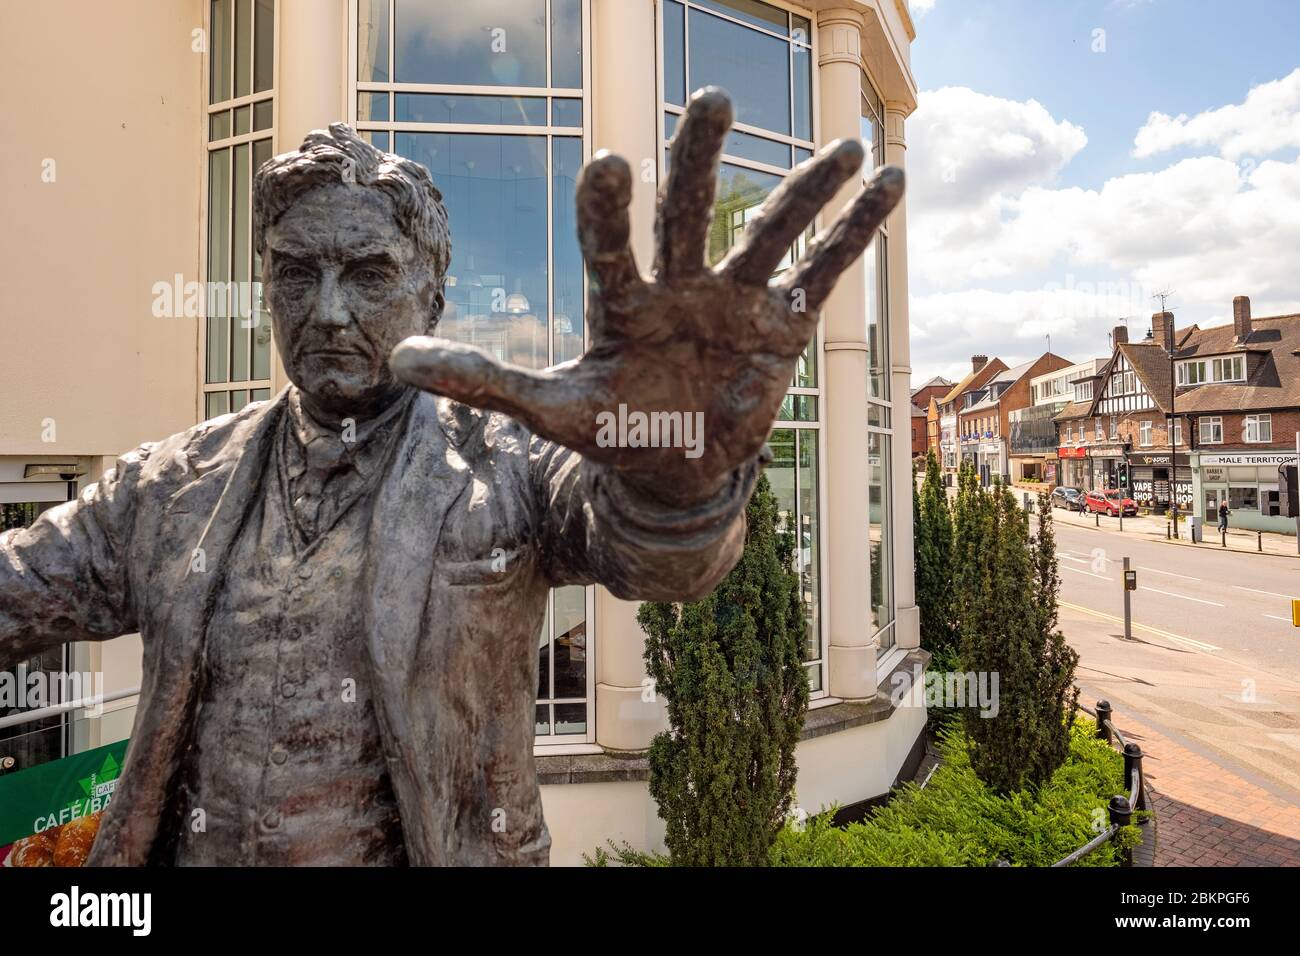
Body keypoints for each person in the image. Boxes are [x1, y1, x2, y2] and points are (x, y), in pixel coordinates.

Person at [0, 93, 903, 866]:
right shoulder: (168, 485)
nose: (327, 310)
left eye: (367, 273)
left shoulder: (502, 465)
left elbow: (656, 558)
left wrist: (678, 473)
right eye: (293, 273)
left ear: (433, 297)